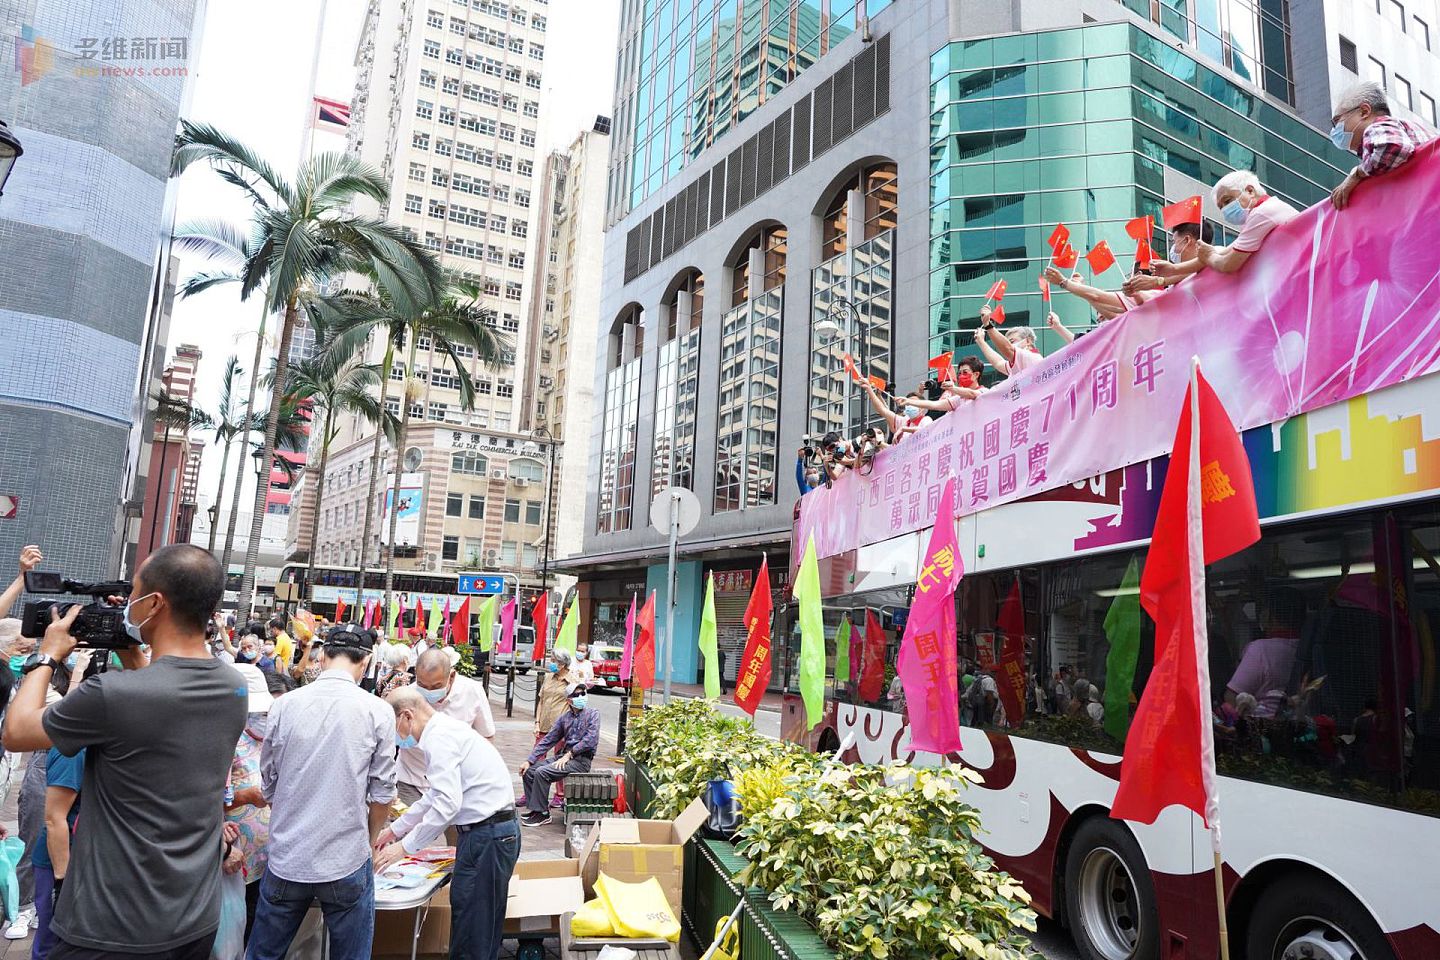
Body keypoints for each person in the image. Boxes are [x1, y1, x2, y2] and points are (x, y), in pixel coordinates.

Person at [2, 544, 248, 960]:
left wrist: (47, 655)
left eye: (133, 594)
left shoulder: (112, 694)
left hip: (110, 928)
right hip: (193, 919)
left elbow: (16, 732)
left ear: (154, 603)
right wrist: (130, 646)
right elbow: (159, 700)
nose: (126, 604)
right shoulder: (233, 686)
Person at [248, 624, 396, 960]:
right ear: (367, 661)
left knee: (262, 954)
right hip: (345, 857)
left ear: (324, 655)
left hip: (288, 856)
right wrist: (369, 839)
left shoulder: (286, 705)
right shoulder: (377, 710)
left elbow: (268, 779)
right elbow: (383, 793)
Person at [375, 688, 519, 960]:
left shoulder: (438, 738)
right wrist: (395, 830)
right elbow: (434, 795)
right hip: (487, 834)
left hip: (487, 835)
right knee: (475, 921)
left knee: (474, 925)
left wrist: (404, 847)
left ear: (407, 716)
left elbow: (446, 804)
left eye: (391, 726)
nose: (391, 736)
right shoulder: (442, 731)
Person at [396, 648, 497, 808]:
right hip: (412, 778)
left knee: (458, 832)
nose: (429, 691)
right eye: (423, 685)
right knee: (410, 831)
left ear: (451, 676)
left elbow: (486, 737)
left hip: (455, 783)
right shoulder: (408, 695)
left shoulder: (472, 691)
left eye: (436, 686)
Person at [1153, 171, 1298, 280]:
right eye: (1221, 206)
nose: (1225, 209)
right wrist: (1173, 268)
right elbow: (1224, 253)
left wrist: (1209, 256)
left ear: (1250, 191)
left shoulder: (1262, 213)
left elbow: (1228, 264)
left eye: (1227, 201)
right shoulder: (1259, 214)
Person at [224, 663, 276, 943]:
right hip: (231, 857)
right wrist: (246, 796)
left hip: (265, 856)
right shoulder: (222, 737)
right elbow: (200, 799)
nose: (260, 717)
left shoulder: (269, 736)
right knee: (235, 932)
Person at [1329, 80, 1435, 209]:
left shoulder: (1376, 126)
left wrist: (1356, 174)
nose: (1334, 130)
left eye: (1337, 121)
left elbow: (1393, 148)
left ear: (1364, 111)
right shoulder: (1403, 127)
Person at [519, 683, 600, 827]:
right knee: (529, 771)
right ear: (568, 700)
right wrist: (529, 760)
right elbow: (548, 740)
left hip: (580, 761)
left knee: (542, 772)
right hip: (563, 757)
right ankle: (536, 810)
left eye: (583, 694)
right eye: (576, 695)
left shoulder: (593, 714)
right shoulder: (564, 718)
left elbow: (590, 740)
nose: (581, 697)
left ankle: (542, 814)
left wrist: (570, 754)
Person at [1225, 589, 1306, 718]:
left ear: (1270, 617)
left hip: (1264, 730)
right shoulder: (1307, 647)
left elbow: (1231, 698)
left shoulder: (1260, 649)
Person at [1121, 220, 1215, 299]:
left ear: (1187, 240)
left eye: (1174, 241)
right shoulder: (1173, 282)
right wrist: (1135, 292)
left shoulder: (1215, 257)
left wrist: (1159, 280)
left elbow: (1197, 268)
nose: (1173, 247)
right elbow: (1154, 301)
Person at [973, 307, 1042, 379]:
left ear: (1028, 341)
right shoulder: (1019, 362)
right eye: (1008, 342)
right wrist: (981, 341)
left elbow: (1008, 348)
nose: (1010, 345)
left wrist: (987, 325)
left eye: (1012, 341)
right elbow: (998, 363)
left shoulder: (1032, 356)